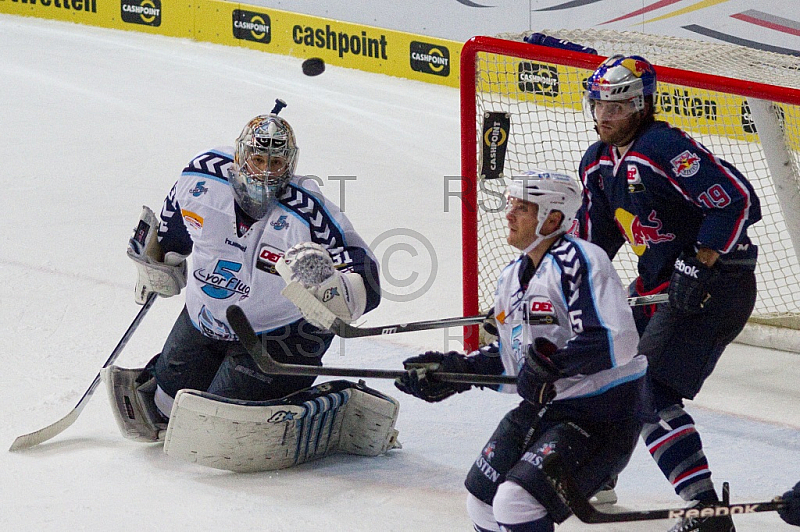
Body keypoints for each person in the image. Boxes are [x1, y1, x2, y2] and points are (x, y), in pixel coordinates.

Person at [108, 101, 381, 441]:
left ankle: (328, 407)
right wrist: (155, 264)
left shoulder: (309, 213)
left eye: (276, 162)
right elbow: (169, 238)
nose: (266, 172)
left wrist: (336, 291)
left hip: (279, 333)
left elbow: (367, 276)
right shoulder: (200, 179)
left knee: (220, 424)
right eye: (259, 159)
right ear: (240, 156)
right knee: (164, 406)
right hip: (204, 318)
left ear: (290, 165)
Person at [395, 171, 651, 532]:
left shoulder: (581, 261)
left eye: (522, 208)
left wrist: (552, 366)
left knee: (516, 502)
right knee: (482, 500)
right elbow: (513, 359)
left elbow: (616, 339)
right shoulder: (511, 277)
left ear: (553, 218)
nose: (509, 215)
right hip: (550, 406)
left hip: (605, 411)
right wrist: (453, 372)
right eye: (512, 205)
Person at [575, 54, 762, 532]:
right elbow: (596, 239)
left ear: (641, 106)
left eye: (615, 108)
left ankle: (704, 511)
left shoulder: (663, 147)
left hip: (716, 285)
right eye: (599, 106)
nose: (604, 117)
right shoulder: (596, 163)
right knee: (603, 370)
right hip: (659, 287)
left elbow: (737, 199)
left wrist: (699, 260)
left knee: (649, 391)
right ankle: (599, 474)